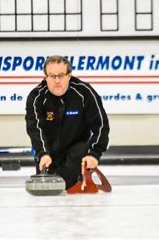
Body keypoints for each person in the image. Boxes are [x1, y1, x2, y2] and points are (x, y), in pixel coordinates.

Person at [25, 55, 110, 189]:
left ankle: (74, 178)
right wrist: (43, 153)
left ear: (69, 75)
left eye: (61, 75)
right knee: (48, 188)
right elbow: (35, 129)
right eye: (52, 76)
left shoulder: (85, 93)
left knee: (64, 185)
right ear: (45, 76)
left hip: (76, 152)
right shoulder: (36, 97)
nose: (57, 80)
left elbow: (101, 126)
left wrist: (94, 154)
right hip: (48, 153)